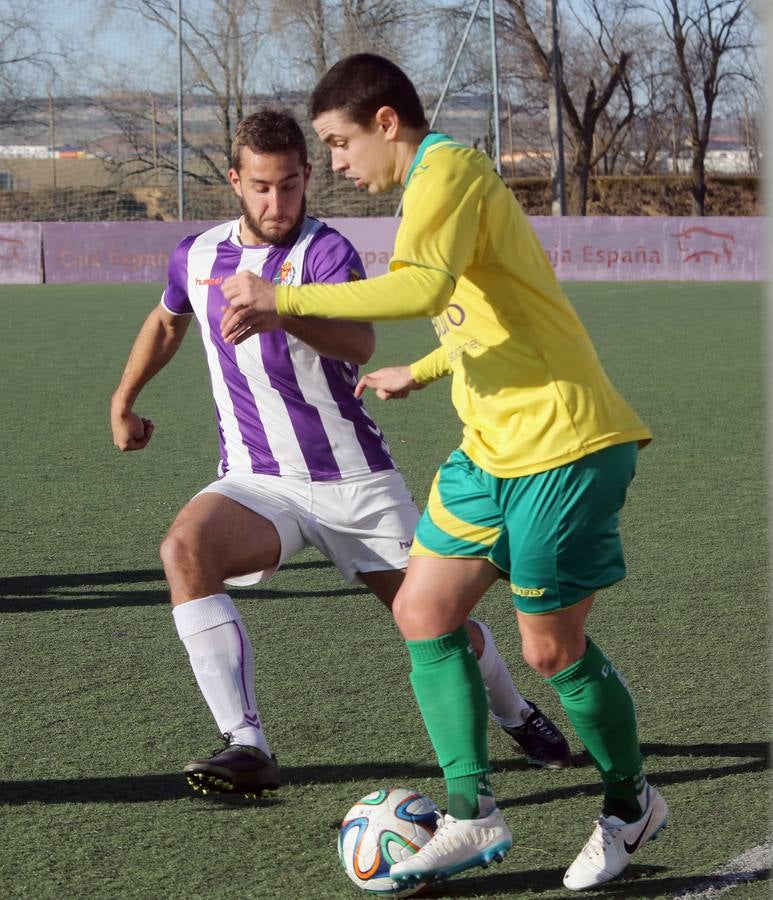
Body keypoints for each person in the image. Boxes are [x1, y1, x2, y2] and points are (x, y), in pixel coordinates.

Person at [218, 60, 668, 892]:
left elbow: (423, 287)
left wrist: (283, 296)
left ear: (386, 122)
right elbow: (483, 313)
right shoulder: (431, 188)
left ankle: (629, 804)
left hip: (563, 444)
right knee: (423, 611)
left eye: (339, 143)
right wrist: (419, 373)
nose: (339, 164)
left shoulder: (448, 168)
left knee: (547, 650)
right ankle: (470, 813)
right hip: (488, 448)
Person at [110, 107, 571, 802]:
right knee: (184, 549)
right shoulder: (198, 254)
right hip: (258, 479)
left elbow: (359, 344)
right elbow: (167, 318)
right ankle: (246, 743)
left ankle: (515, 712)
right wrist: (125, 398)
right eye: (262, 187)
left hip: (354, 481)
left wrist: (282, 309)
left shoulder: (324, 252)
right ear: (235, 181)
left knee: (433, 620)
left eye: (291, 185)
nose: (277, 202)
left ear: (305, 181)